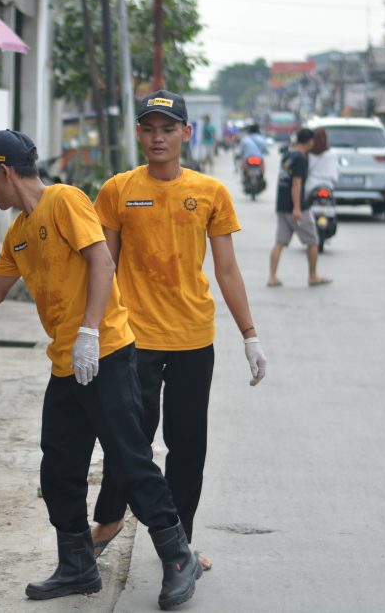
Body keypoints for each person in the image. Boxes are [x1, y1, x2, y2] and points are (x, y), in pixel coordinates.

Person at [0, 129, 203, 610]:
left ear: (5, 170)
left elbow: (101, 261)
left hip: (106, 352)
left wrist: (91, 331)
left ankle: (177, 557)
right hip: (67, 365)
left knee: (130, 462)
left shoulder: (64, 200)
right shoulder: (19, 231)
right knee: (59, 468)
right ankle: (76, 566)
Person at [89, 90, 268, 572]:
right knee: (130, 442)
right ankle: (106, 523)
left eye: (167, 129)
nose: (157, 138)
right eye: (148, 129)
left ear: (186, 133)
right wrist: (90, 330)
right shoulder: (118, 190)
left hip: (193, 339)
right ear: (139, 133)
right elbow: (103, 266)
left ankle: (179, 546)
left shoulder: (210, 193)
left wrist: (249, 335)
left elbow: (227, 270)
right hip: (134, 341)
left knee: (188, 447)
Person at [267, 128, 330, 287]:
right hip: (296, 207)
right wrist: (297, 207)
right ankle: (313, 276)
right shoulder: (301, 158)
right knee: (313, 241)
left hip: (282, 205)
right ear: (309, 141)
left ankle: (272, 277)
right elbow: (296, 183)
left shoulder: (288, 155)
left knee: (280, 242)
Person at [305, 127, 339, 198]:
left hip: (311, 185)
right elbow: (335, 172)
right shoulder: (332, 154)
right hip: (328, 185)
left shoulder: (308, 153)